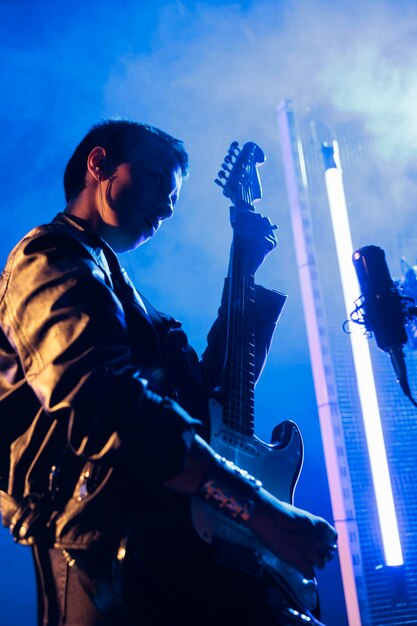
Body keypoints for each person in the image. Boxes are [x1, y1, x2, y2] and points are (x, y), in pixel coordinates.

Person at [0, 120, 337, 626]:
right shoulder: (49, 257)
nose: (166, 208)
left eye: (174, 200)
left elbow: (216, 402)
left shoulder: (121, 291)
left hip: (165, 554)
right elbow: (104, 404)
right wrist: (261, 512)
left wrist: (244, 271)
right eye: (158, 180)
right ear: (99, 165)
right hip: (109, 554)